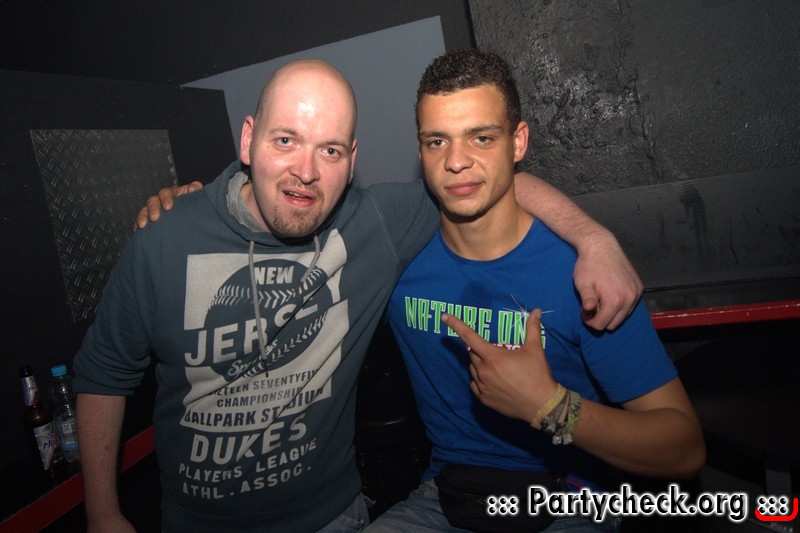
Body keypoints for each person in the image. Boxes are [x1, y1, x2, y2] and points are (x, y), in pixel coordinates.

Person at [74, 59, 643, 533]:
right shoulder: (165, 239)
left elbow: (486, 179)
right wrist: (102, 514)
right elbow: (103, 374)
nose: (304, 172)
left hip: (334, 516)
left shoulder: (376, 225)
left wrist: (594, 239)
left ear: (352, 160)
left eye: (329, 151)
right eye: (285, 140)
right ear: (248, 139)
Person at [367, 49, 705, 532]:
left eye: (482, 137)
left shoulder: (584, 275)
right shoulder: (398, 260)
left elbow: (684, 448)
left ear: (518, 141)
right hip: (449, 497)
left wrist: (550, 407)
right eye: (437, 141)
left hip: (573, 497)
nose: (456, 161)